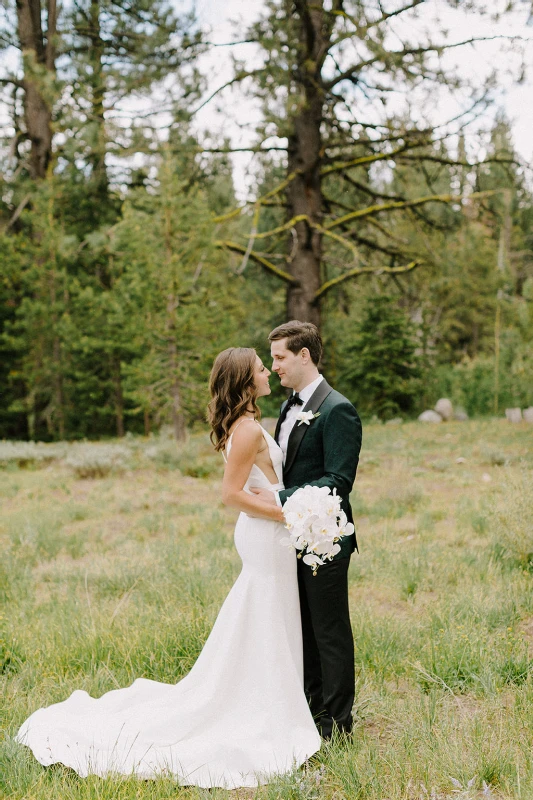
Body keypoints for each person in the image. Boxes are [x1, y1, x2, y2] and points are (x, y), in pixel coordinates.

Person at [15, 347, 320, 789]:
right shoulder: (249, 429)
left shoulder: (249, 424)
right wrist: (288, 515)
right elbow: (231, 495)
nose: (267, 371)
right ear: (244, 380)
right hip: (265, 534)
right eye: (259, 367)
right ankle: (264, 709)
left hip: (268, 535)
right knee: (267, 612)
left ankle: (275, 698)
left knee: (266, 615)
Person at [251, 321, 362, 739]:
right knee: (302, 630)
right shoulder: (287, 406)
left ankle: (337, 726)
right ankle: (309, 713)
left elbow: (338, 480)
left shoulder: (337, 409)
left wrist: (279, 500)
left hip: (324, 540)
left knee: (329, 632)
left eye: (280, 357)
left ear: (304, 355)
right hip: (288, 538)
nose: (274, 365)